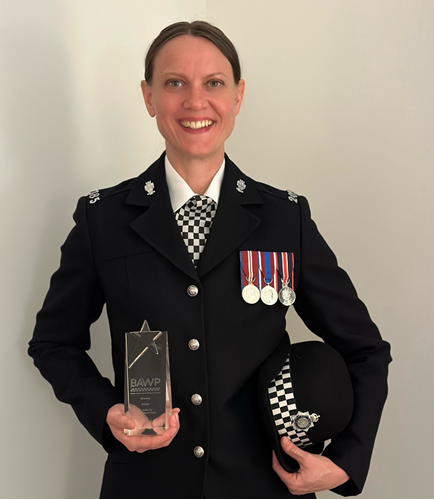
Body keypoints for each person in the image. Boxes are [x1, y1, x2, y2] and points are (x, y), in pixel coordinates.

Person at [29, 21, 392, 499]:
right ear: (148, 97)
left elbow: (366, 350)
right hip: (146, 485)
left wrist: (345, 461)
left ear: (238, 96)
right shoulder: (104, 219)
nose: (195, 102)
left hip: (262, 486)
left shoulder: (286, 219)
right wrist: (106, 410)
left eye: (214, 83)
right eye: (174, 83)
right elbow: (54, 342)